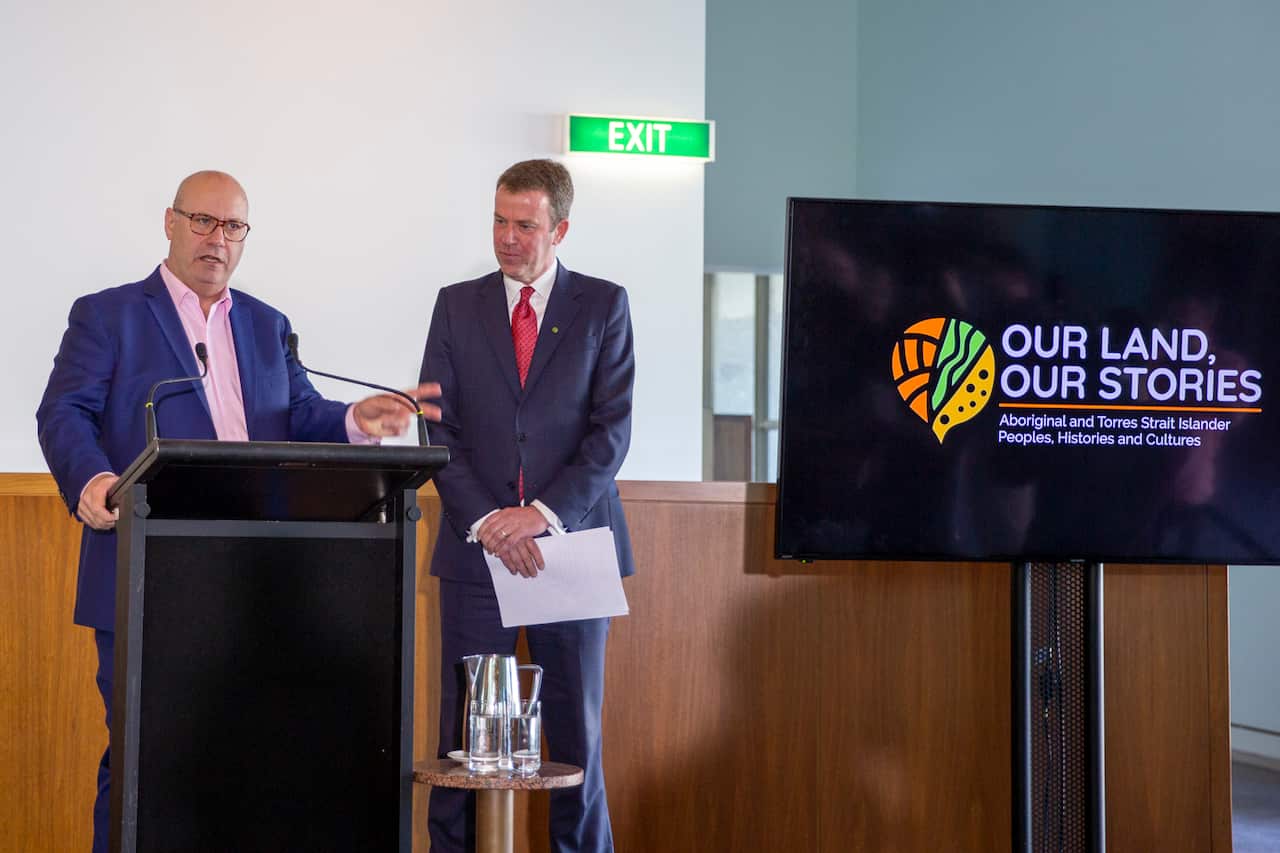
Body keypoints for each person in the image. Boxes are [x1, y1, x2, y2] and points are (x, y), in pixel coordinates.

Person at [35, 170, 441, 853]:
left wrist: (355, 421)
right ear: (169, 222)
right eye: (202, 221)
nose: (216, 240)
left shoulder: (266, 324)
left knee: (243, 759)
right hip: (146, 567)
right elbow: (64, 410)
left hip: (255, 579)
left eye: (232, 228)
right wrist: (97, 480)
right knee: (143, 753)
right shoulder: (108, 315)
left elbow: (300, 417)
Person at [419, 159, 635, 852]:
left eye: (525, 224)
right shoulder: (456, 303)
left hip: (568, 549)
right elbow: (436, 424)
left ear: (560, 228)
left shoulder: (604, 305)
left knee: (576, 743)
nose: (508, 238)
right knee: (463, 742)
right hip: (475, 550)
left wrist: (539, 513)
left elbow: (611, 432)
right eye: (499, 220)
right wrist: (489, 520)